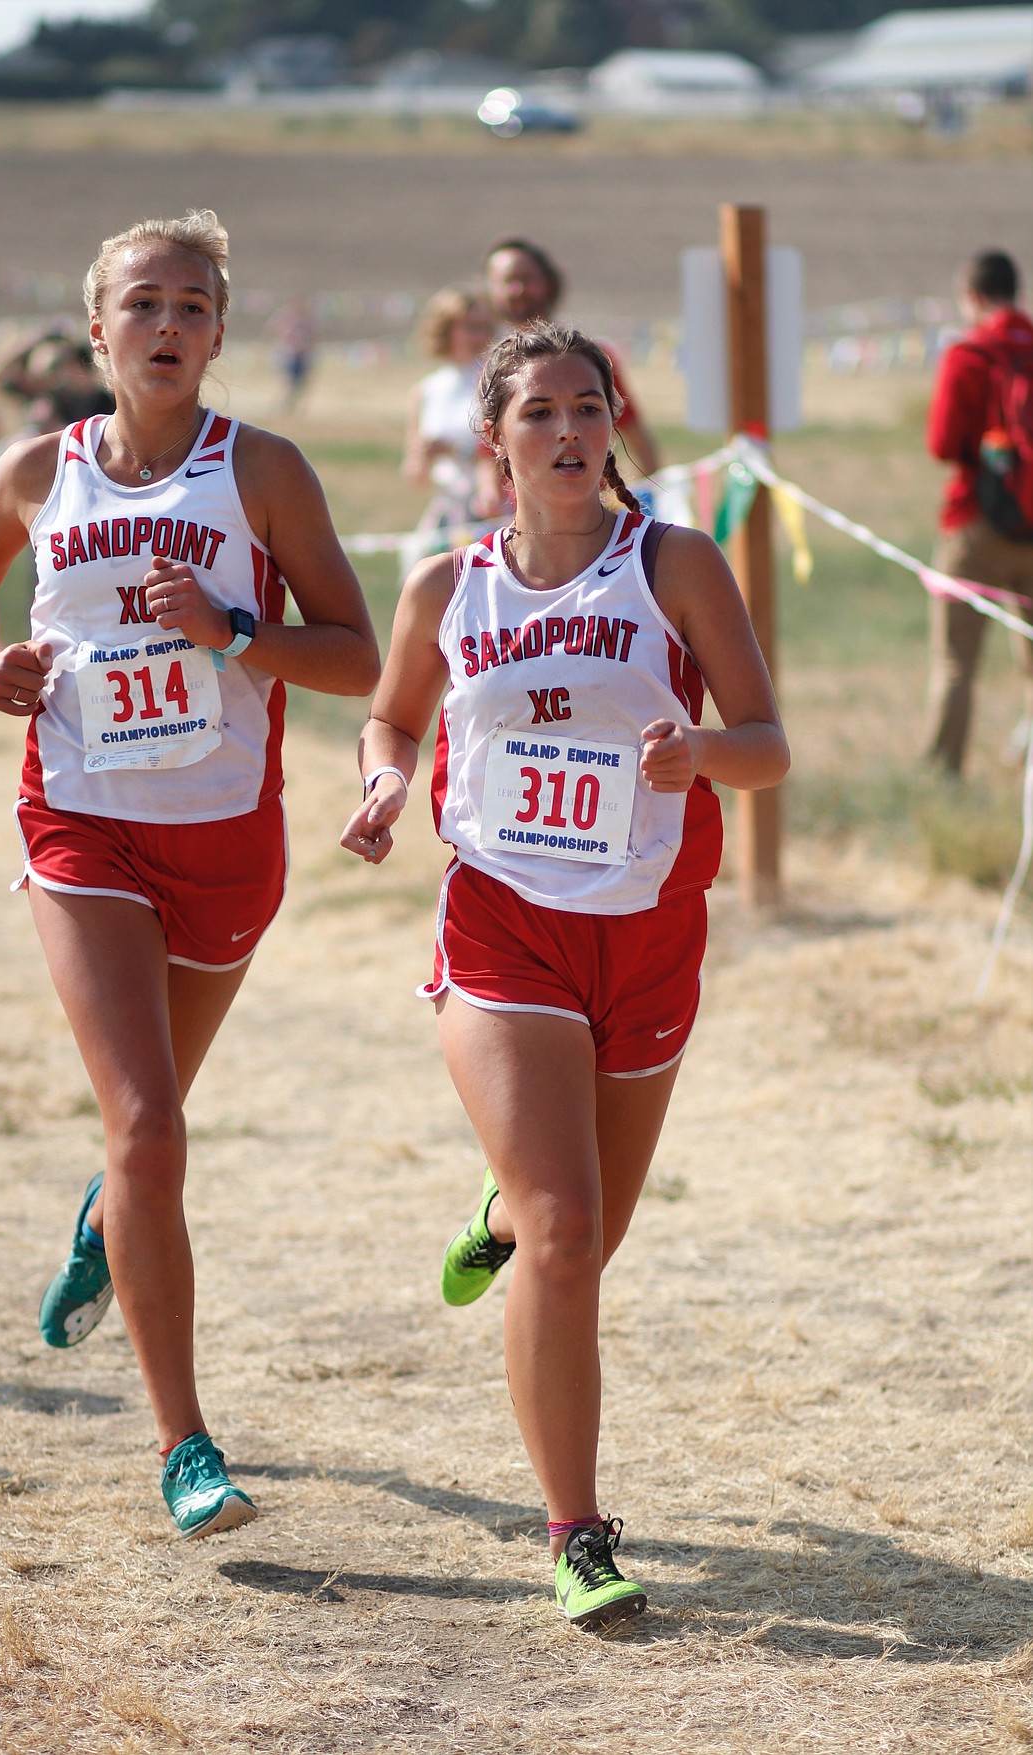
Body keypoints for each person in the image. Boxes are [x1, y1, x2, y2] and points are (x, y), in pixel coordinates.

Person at [0, 210, 379, 1540]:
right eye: (142, 304)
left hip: (226, 836)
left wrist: (238, 629)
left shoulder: (266, 472)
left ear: (220, 334)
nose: (167, 325)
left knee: (147, 1127)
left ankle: (103, 1214)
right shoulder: (36, 470)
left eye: (192, 306)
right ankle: (185, 1440)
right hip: (82, 822)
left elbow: (358, 655)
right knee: (152, 1127)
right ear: (97, 331)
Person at [341, 321, 788, 1634]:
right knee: (570, 1229)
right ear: (495, 443)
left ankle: (505, 1202)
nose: (566, 427)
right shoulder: (445, 589)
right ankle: (576, 1529)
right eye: (536, 410)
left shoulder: (675, 564)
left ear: (610, 425)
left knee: (581, 1235)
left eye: (586, 405)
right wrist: (378, 779)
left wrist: (695, 755)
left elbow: (764, 745)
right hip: (503, 925)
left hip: (645, 931)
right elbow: (391, 712)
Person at [925, 249, 1033, 774]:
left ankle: (943, 779)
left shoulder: (967, 353)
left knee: (955, 665)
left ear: (972, 297)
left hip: (975, 525)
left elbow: (943, 443)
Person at [483, 238, 659, 478]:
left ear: (548, 282)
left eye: (525, 278)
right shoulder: (490, 367)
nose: (517, 290)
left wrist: (630, 503)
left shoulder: (586, 361)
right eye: (506, 281)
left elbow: (640, 445)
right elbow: (486, 457)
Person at [400, 287, 495, 566]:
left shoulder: (494, 382)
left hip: (488, 508)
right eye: (469, 327)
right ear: (446, 329)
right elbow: (415, 476)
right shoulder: (426, 391)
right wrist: (423, 457)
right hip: (447, 506)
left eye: (483, 327)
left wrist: (453, 450)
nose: (479, 336)